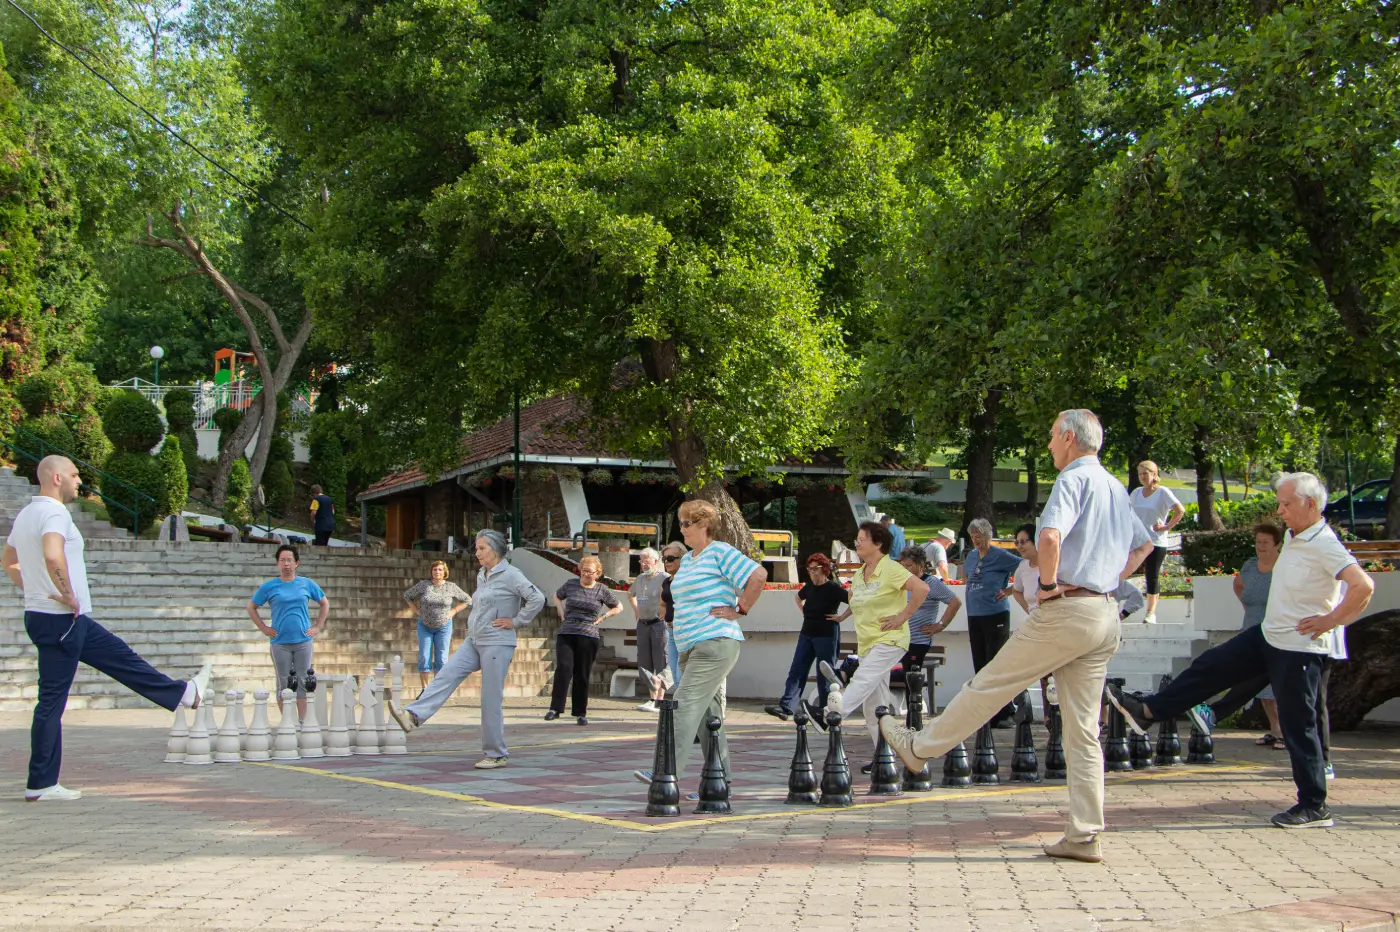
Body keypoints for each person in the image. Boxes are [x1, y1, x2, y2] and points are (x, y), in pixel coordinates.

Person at [881, 409, 1155, 864]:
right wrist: (1107, 580)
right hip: (1104, 612)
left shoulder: (1073, 478)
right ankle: (1084, 835)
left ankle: (919, 748)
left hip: (1067, 611)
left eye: (1051, 436)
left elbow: (1049, 538)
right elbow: (1144, 545)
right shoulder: (1113, 486)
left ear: (1068, 437)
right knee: (1084, 732)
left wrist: (1047, 585)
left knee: (990, 684)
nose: (1048, 445)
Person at [1108, 472, 1374, 829]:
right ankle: (1149, 710)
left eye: (1286, 504)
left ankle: (1314, 806)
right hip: (1269, 635)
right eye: (1279, 503)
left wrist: (1331, 620)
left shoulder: (1324, 543)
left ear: (1311, 504)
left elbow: (1363, 586)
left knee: (1298, 725)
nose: (1280, 511)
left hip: (1299, 649)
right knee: (1212, 665)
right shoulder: (1295, 536)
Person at [2, 455, 211, 801]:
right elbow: (53, 554)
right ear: (56, 478)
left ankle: (183, 694)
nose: (79, 481)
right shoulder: (55, 513)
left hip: (53, 618)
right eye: (74, 475)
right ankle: (41, 784)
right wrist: (66, 593)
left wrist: (35, 590)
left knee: (119, 656)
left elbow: (8, 560)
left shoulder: (27, 514)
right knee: (51, 702)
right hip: (62, 619)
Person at [633, 500, 767, 793]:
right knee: (709, 717)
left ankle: (665, 772)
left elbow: (758, 575)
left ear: (704, 524)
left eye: (686, 523)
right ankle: (719, 783)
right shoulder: (690, 560)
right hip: (690, 647)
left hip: (714, 642)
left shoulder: (719, 551)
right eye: (680, 523)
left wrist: (741, 609)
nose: (681, 528)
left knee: (683, 704)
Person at [388, 529, 545, 769]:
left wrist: (516, 621)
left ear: (495, 550)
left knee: (490, 698)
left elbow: (538, 599)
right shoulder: (483, 574)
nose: (477, 552)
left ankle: (496, 754)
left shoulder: (512, 574)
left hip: (497, 642)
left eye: (482, 548)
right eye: (476, 548)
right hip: (475, 640)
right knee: (446, 673)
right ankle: (413, 716)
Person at [819, 521, 930, 755]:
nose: (857, 543)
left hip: (890, 639)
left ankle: (830, 715)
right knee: (874, 708)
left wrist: (902, 617)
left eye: (862, 539)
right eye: (856, 539)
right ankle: (886, 756)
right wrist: (843, 616)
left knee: (862, 678)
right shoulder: (860, 573)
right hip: (867, 643)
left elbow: (922, 589)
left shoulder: (891, 568)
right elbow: (855, 600)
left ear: (878, 544)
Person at [1206, 524, 1284, 747]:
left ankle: (1287, 732)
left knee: (1278, 685)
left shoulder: (1284, 566)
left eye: (1265, 542)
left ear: (1278, 544)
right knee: (1259, 685)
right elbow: (1238, 585)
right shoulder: (1250, 565)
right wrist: (1248, 605)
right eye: (1258, 542)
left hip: (1277, 630)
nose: (1261, 546)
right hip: (1251, 626)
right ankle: (1275, 730)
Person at [763, 553, 849, 727]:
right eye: (810, 569)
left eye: (816, 569)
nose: (812, 572)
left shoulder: (833, 588)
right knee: (797, 669)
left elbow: (854, 601)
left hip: (826, 635)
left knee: (824, 673)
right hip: (807, 633)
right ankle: (787, 707)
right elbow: (797, 597)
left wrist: (841, 617)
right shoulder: (809, 587)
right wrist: (805, 612)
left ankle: (825, 711)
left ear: (824, 569)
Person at [247, 544, 330, 719]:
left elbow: (324, 603)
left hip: (303, 641)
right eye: (282, 560)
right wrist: (264, 628)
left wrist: (317, 626)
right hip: (280, 642)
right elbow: (251, 607)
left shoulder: (306, 583)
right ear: (278, 563)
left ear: (296, 563)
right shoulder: (270, 586)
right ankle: (287, 721)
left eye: (289, 560)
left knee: (303, 681)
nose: (286, 564)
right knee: (283, 681)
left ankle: (302, 721)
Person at [962, 517, 1024, 727]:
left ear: (988, 536)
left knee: (995, 663)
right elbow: (966, 574)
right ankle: (985, 712)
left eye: (978, 536)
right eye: (972, 536)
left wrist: (1010, 590)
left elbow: (1026, 567)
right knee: (980, 664)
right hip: (975, 613)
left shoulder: (1000, 555)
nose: (975, 540)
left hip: (995, 613)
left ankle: (1005, 712)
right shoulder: (972, 556)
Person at [547, 555, 622, 725]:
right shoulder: (571, 584)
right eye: (584, 571)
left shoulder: (601, 589)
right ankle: (555, 709)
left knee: (582, 673)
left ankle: (580, 712)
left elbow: (619, 606)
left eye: (590, 572)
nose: (586, 574)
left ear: (597, 574)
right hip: (567, 632)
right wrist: (560, 611)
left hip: (588, 634)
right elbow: (556, 596)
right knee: (563, 669)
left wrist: (604, 617)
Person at [1128, 461, 1185, 624]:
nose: (1142, 477)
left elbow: (1180, 510)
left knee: (1151, 576)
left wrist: (1166, 527)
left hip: (1156, 542)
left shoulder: (1162, 492)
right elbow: (1127, 513)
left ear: (1154, 474)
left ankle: (1150, 613)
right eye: (1140, 474)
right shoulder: (1136, 493)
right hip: (1136, 542)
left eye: (1145, 473)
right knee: (1123, 571)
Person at [897, 544, 962, 684]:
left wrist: (941, 625)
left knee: (912, 679)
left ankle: (914, 699)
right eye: (903, 565)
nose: (905, 569)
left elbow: (955, 602)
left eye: (908, 566)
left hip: (918, 640)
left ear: (920, 565)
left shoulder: (931, 583)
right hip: (900, 639)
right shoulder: (902, 582)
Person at [402, 560, 471, 689]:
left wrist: (454, 610)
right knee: (424, 656)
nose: (437, 572)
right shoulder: (424, 585)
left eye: (440, 569)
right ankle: (425, 689)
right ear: (431, 572)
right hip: (425, 625)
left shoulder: (451, 586)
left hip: (444, 626)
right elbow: (407, 595)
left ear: (445, 572)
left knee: (442, 658)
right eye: (435, 569)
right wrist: (416, 611)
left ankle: (436, 689)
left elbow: (467, 600)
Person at [629, 548, 670, 712]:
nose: (643, 564)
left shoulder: (664, 577)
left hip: (658, 624)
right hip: (643, 624)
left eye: (646, 561)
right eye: (641, 561)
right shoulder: (640, 578)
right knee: (644, 662)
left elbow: (673, 596)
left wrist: (666, 611)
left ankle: (660, 700)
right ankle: (651, 699)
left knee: (661, 660)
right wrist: (636, 610)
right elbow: (630, 594)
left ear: (656, 561)